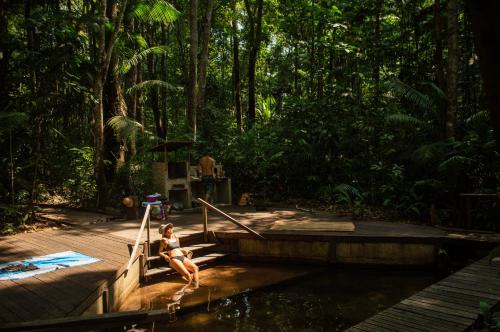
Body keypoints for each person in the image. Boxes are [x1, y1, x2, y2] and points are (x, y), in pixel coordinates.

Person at [158, 223, 199, 288]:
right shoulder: (164, 240)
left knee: (195, 268)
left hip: (182, 256)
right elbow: (160, 252)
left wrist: (186, 251)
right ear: (165, 232)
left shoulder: (176, 237)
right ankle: (194, 286)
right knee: (187, 274)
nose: (170, 229)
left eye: (170, 228)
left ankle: (196, 286)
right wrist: (165, 256)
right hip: (174, 258)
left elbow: (178, 249)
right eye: (167, 229)